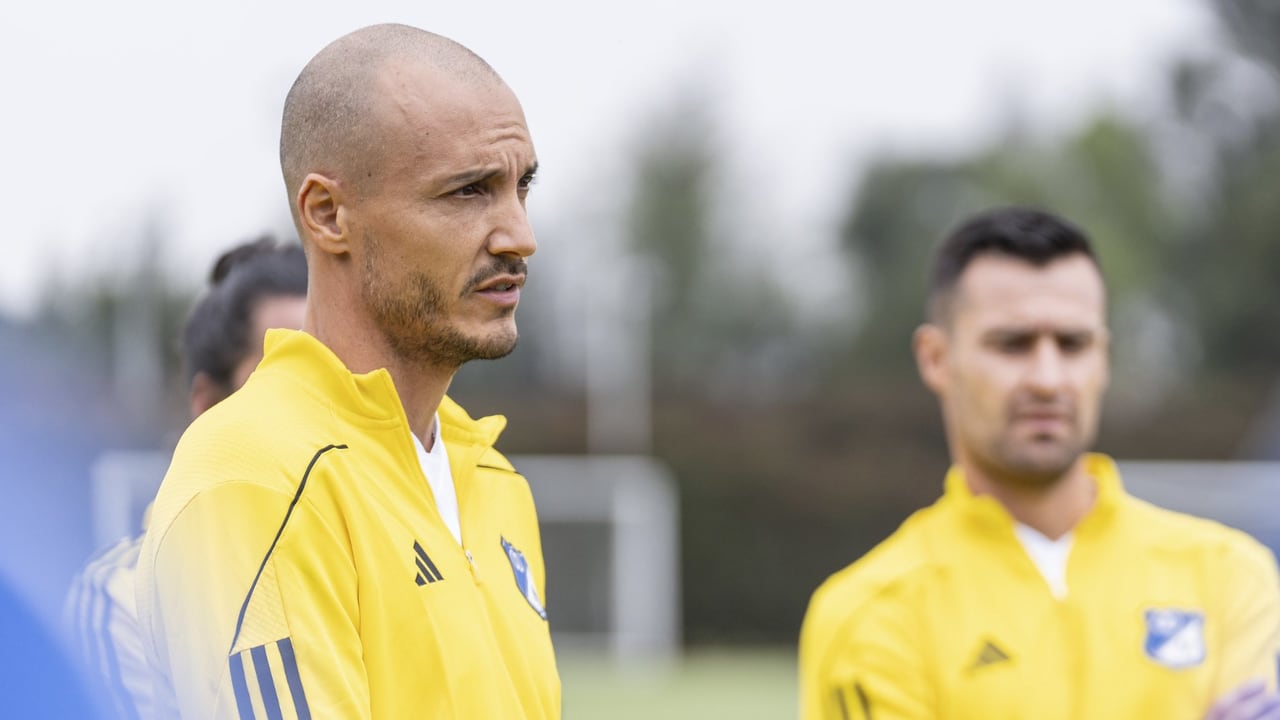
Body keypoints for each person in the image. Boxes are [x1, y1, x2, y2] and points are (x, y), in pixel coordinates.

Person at [133, 23, 557, 720]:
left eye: (522, 186)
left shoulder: (490, 476)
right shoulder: (256, 477)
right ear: (328, 214)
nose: (520, 235)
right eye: (469, 192)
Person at [798, 207, 1280, 720]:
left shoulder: (1228, 574)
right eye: (1013, 344)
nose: (1048, 379)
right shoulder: (872, 613)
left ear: (1104, 357)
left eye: (1073, 344)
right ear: (936, 358)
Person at [65, 237, 307, 720]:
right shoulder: (125, 600)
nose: (321, 402)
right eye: (286, 378)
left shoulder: (404, 554)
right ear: (209, 407)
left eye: (343, 377)